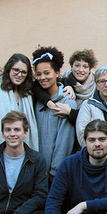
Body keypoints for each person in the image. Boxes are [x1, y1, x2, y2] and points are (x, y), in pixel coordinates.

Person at [32, 46, 77, 178]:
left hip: (55, 174)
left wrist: (54, 171)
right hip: (36, 170)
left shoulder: (67, 101)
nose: (42, 77)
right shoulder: (35, 99)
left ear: (57, 73)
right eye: (38, 74)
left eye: (47, 73)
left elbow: (64, 142)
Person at [0, 53, 39, 150]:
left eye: (23, 72)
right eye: (16, 70)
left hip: (25, 147)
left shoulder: (30, 93)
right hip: (1, 144)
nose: (19, 75)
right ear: (9, 69)